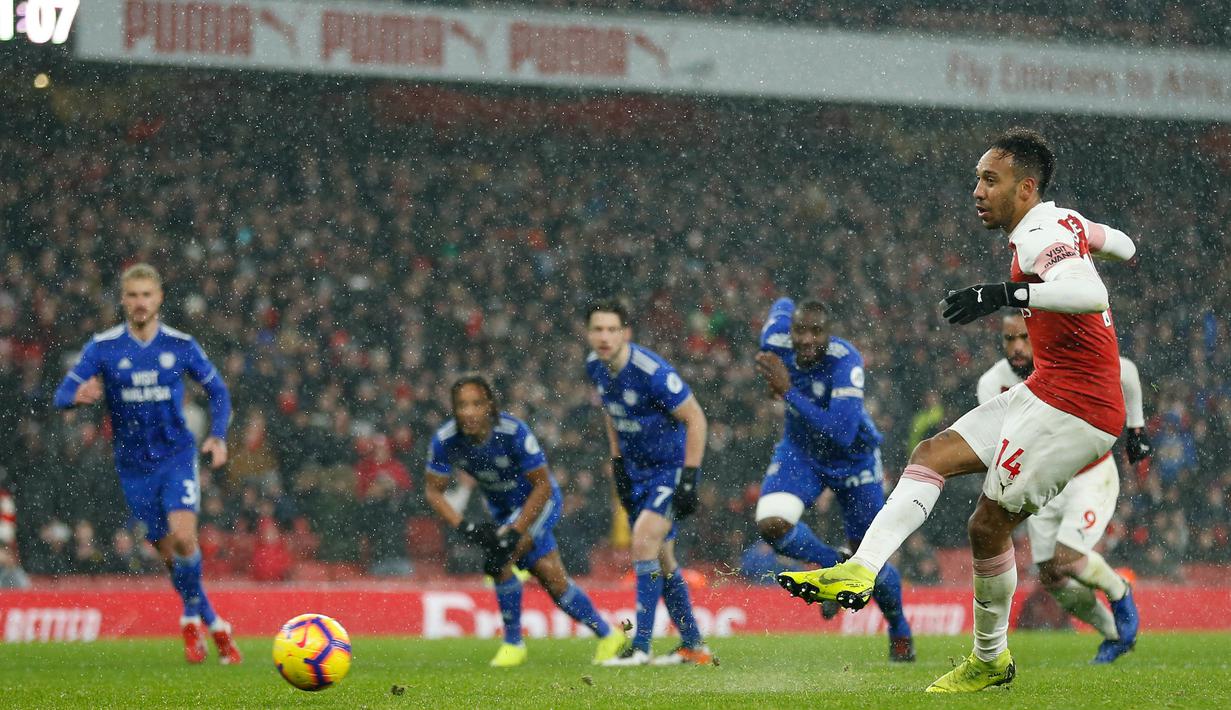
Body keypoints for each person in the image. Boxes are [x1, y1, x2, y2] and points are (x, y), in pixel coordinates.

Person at [778, 128, 1137, 692]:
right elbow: (1124, 244)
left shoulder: (1043, 233)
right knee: (932, 453)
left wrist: (1005, 294)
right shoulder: (1060, 219)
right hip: (1049, 388)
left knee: (988, 526)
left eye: (989, 180)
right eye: (977, 178)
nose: (977, 190)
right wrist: (1102, 244)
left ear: (1025, 188)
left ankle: (990, 658)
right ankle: (860, 568)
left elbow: (1091, 294)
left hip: (1080, 409)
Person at [53, 264, 242, 665]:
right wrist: (76, 396)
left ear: (160, 299)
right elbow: (62, 392)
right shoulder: (104, 347)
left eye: (147, 295)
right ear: (123, 300)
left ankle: (191, 618)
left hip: (176, 457)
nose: (140, 303)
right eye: (133, 295)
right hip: (133, 467)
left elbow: (218, 390)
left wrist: (218, 435)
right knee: (169, 554)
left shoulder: (181, 344)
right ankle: (215, 623)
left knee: (185, 538)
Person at [423, 374, 626, 668]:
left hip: (539, 502)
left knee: (500, 560)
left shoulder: (512, 432)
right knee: (551, 577)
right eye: (462, 405)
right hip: (503, 511)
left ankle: (514, 644)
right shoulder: (446, 440)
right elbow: (433, 490)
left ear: (490, 406)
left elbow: (542, 485)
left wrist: (516, 532)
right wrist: (465, 526)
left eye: (476, 404)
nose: (468, 412)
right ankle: (608, 635)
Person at [978, 313, 1146, 663]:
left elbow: (1126, 371)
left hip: (1090, 476)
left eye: (1024, 337)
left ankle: (1119, 590)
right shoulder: (992, 384)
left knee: (1067, 558)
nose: (1018, 347)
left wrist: (1136, 428)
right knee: (1051, 574)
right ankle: (1113, 635)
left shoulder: (1070, 359)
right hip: (1044, 485)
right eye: (1009, 339)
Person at [753, 297, 914, 661]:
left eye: (816, 331)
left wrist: (786, 390)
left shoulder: (846, 360)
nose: (807, 338)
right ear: (789, 329)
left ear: (830, 333)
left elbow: (841, 433)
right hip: (801, 453)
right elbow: (779, 304)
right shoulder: (776, 339)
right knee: (772, 524)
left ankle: (899, 627)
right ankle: (833, 566)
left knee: (869, 559)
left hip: (853, 458)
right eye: (799, 330)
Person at [584, 299, 713, 666]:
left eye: (612, 329)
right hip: (637, 471)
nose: (604, 337)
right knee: (663, 557)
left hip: (669, 469)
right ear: (588, 333)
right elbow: (612, 412)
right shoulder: (596, 367)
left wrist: (689, 477)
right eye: (598, 329)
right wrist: (618, 464)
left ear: (626, 333)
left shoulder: (650, 371)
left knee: (642, 540)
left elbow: (696, 418)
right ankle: (694, 645)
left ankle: (639, 647)